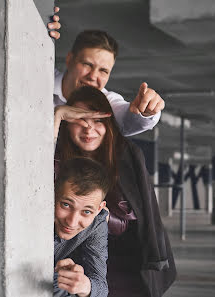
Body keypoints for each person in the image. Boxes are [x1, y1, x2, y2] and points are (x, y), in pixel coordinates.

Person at [54, 86, 176, 297]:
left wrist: (100, 218)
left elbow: (142, 212)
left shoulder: (126, 154)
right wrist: (58, 114)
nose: (88, 129)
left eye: (98, 120)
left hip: (125, 257)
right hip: (72, 257)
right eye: (80, 120)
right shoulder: (55, 159)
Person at [54, 157, 111, 297]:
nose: (72, 222)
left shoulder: (97, 223)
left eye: (86, 212)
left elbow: (101, 286)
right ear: (53, 193)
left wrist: (84, 285)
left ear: (99, 209)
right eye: (66, 205)